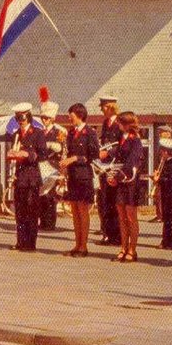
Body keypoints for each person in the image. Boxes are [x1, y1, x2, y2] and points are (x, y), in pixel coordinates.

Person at [59, 102, 100, 256]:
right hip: (73, 176)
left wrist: (75, 158)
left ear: (80, 116)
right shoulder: (70, 133)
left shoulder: (90, 132)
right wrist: (65, 167)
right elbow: (68, 153)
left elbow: (93, 155)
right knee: (74, 211)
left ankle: (83, 246)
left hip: (84, 176)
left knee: (83, 211)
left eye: (72, 117)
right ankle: (77, 245)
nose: (70, 119)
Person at [5, 102, 47, 252]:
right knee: (20, 211)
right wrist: (11, 154)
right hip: (19, 176)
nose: (20, 121)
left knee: (31, 210)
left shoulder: (38, 133)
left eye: (22, 118)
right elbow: (14, 151)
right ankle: (21, 241)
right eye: (18, 118)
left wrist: (27, 154)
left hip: (31, 177)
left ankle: (30, 243)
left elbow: (43, 154)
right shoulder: (16, 134)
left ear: (28, 117)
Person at [111, 111, 145, 262]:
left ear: (126, 124)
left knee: (131, 217)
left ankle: (132, 249)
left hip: (131, 182)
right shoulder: (121, 138)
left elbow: (132, 161)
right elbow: (117, 158)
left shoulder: (135, 140)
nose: (118, 125)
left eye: (120, 122)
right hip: (121, 181)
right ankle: (123, 247)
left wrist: (118, 176)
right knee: (121, 216)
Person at [95, 96, 122, 246]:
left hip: (114, 165)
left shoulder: (119, 123)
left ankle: (116, 236)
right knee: (104, 201)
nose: (101, 110)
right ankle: (107, 234)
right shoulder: (106, 123)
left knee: (113, 202)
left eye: (103, 107)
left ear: (110, 107)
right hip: (104, 166)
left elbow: (121, 145)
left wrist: (108, 153)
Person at [38, 86, 66, 232]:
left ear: (53, 118)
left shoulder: (59, 131)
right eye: (43, 118)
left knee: (50, 195)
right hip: (41, 165)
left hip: (53, 165)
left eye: (47, 118)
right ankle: (43, 221)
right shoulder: (40, 131)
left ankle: (50, 223)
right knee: (42, 194)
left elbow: (61, 149)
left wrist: (51, 145)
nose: (44, 120)